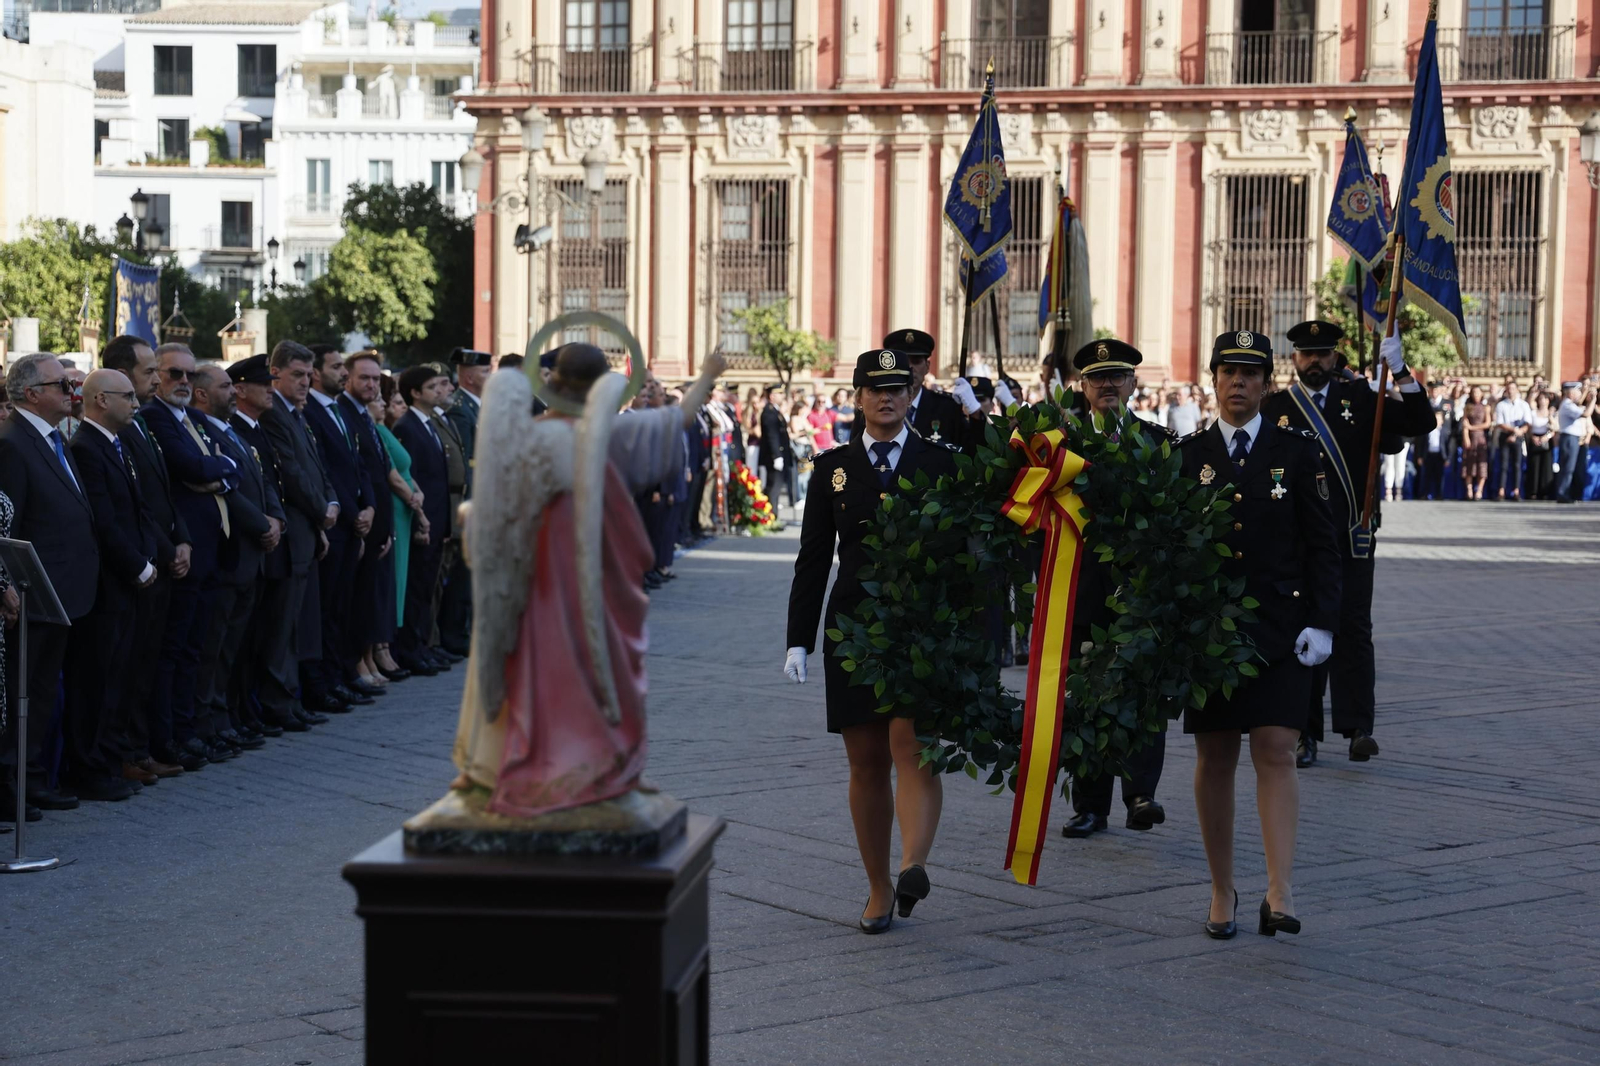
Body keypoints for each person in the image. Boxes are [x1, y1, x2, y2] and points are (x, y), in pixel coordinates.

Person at [784, 348, 960, 934]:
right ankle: (879, 887)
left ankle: (913, 863)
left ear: (912, 395)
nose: (887, 398)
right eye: (875, 389)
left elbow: (967, 555)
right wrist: (798, 641)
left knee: (912, 744)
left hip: (921, 625)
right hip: (854, 627)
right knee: (864, 761)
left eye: (898, 388)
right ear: (857, 397)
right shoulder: (831, 467)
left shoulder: (941, 462)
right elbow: (813, 560)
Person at [1181, 329, 1341, 940]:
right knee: (1215, 757)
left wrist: (1323, 623)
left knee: (1275, 751)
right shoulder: (1188, 456)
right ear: (1213, 380)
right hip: (1212, 633)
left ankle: (1280, 889)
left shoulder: (1296, 452)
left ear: (1267, 383)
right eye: (1229, 372)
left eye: (1251, 374)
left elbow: (1324, 546)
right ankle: (1222, 887)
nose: (1239, 383)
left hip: (1282, 630)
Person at [1260, 320, 1434, 768]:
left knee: (1354, 629)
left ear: (1336, 357)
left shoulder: (1361, 399)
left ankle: (1359, 728)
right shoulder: (1276, 407)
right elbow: (1268, 472)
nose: (1315, 360)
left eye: (1323, 352)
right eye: (1306, 353)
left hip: (1351, 537)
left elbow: (1420, 421)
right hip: (1299, 544)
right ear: (1293, 358)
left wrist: (1398, 370)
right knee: (1304, 631)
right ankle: (1305, 733)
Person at [1057, 339, 1173, 840]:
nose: (1107, 384)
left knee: (1143, 692)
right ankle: (1090, 805)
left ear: (1133, 384)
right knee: (1085, 696)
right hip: (1080, 588)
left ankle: (1140, 794)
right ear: (1081, 386)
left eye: (1117, 376)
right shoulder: (1060, 446)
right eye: (1097, 377)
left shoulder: (1159, 442)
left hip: (1142, 591)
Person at [0, 353, 101, 817]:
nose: (70, 391)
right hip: (33, 592)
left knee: (42, 692)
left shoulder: (53, 437)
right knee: (28, 691)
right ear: (31, 393)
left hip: (62, 590)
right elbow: (9, 526)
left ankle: (34, 777)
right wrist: (11, 585)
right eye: (61, 384)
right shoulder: (13, 443)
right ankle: (16, 785)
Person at [139, 343, 242, 767]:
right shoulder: (155, 419)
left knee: (198, 648)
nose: (182, 382)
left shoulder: (194, 419)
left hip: (211, 549)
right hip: (183, 551)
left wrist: (215, 475)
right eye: (173, 374)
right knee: (175, 651)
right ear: (156, 377)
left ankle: (191, 728)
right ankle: (172, 737)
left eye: (187, 374)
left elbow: (231, 464)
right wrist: (213, 472)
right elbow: (193, 468)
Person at [100, 335, 190, 776]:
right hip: (143, 563)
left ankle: (139, 749)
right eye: (149, 371)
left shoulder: (142, 422)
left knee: (149, 663)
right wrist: (166, 550)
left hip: (163, 557)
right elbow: (136, 508)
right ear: (122, 374)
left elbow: (165, 493)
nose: (157, 379)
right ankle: (127, 753)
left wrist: (183, 539)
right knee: (129, 666)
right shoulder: (114, 431)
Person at [63, 369, 154, 799]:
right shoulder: (86, 448)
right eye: (128, 397)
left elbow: (137, 510)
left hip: (127, 583)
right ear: (100, 400)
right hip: (107, 584)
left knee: (119, 677)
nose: (136, 404)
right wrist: (138, 566)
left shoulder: (116, 444)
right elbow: (104, 521)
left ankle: (109, 760)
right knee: (95, 681)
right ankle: (90, 769)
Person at [189, 363, 278, 753]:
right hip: (233, 551)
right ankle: (209, 721)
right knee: (215, 647)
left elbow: (262, 481)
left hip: (253, 553)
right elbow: (228, 492)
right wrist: (261, 523)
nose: (233, 392)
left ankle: (227, 716)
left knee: (234, 647)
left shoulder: (235, 433)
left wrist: (276, 521)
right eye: (226, 386)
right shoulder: (204, 432)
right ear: (203, 394)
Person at [229, 354, 310, 734]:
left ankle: (257, 708)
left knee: (269, 631)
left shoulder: (258, 427)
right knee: (245, 639)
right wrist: (266, 522)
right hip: (252, 543)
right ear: (240, 390)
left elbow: (270, 481)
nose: (270, 392)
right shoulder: (236, 429)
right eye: (264, 385)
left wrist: (275, 518)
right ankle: (246, 711)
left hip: (273, 537)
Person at [262, 342, 337, 724]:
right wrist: (322, 510)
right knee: (282, 626)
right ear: (275, 373)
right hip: (292, 534)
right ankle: (279, 704)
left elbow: (318, 470)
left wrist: (332, 503)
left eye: (309, 375)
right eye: (297, 374)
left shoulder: (297, 414)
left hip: (308, 531)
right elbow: (290, 474)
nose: (305, 382)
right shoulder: (273, 412)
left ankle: (290, 700)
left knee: (297, 623)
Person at [305, 344, 377, 708]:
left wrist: (370, 508)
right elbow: (328, 472)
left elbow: (359, 463)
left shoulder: (339, 411)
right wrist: (353, 513)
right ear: (316, 373)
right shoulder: (312, 413)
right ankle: (325, 682)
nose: (343, 374)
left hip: (354, 523)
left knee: (342, 608)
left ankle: (340, 675)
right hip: (337, 525)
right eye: (336, 367)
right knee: (327, 609)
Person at [391, 364, 453, 676]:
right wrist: (421, 520)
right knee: (416, 588)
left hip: (438, 519)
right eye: (432, 387)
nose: (440, 391)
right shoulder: (407, 427)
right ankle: (409, 649)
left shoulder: (429, 424)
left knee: (428, 587)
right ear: (415, 393)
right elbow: (411, 478)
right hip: (421, 520)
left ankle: (423, 646)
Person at [341, 353, 397, 689]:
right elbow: (351, 473)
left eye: (376, 379)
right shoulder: (344, 412)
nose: (372, 385)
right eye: (364, 378)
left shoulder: (365, 415)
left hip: (376, 519)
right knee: (357, 599)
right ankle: (357, 663)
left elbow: (377, 473)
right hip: (357, 520)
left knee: (370, 596)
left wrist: (384, 524)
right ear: (348, 378)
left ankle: (367, 657)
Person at [439, 348, 490, 657]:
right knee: (461, 573)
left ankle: (463, 631)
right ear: (470, 376)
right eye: (486, 372)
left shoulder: (475, 406)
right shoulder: (461, 409)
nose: (490, 376)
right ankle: (454, 634)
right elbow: (466, 462)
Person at [377, 374, 426, 674]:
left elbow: (404, 471)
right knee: (391, 581)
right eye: (388, 398)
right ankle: (382, 648)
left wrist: (417, 497)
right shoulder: (378, 430)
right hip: (397, 509)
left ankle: (390, 645)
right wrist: (416, 503)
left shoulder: (387, 429)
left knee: (401, 581)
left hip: (407, 508)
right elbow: (393, 476)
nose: (390, 404)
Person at [885, 328, 973, 449]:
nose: (910, 368)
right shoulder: (875, 406)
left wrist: (976, 413)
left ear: (927, 367)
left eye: (916, 361)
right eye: (904, 362)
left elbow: (970, 451)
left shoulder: (947, 407)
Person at [1553, 381, 1596, 503]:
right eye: (1577, 392)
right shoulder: (1567, 405)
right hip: (1569, 438)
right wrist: (1593, 400)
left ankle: (1566, 493)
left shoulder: (1569, 404)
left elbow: (1580, 404)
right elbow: (1586, 413)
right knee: (1568, 468)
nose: (1579, 394)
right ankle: (1562, 493)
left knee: (1570, 468)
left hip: (1572, 439)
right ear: (1570, 393)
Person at [757, 386, 795, 513]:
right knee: (774, 486)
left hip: (780, 453)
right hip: (774, 456)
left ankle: (773, 516)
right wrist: (777, 455)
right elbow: (772, 435)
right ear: (772, 396)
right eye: (779, 394)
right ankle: (771, 517)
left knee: (776, 487)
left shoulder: (775, 411)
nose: (782, 396)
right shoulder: (769, 412)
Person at [1492, 382, 1531, 501]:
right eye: (1509, 389)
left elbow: (1527, 422)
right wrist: (1513, 430)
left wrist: (1518, 432)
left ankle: (1516, 491)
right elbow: (1500, 423)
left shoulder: (1523, 405)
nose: (1511, 391)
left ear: (1517, 390)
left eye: (1513, 389)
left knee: (1517, 465)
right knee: (1503, 464)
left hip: (1519, 436)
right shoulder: (1501, 405)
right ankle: (1501, 491)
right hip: (1505, 435)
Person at [1461, 385, 1492, 501]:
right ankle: (1469, 490)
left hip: (1481, 438)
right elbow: (1465, 424)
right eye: (1474, 393)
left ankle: (1479, 490)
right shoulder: (1467, 407)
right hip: (1470, 437)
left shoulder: (1486, 408)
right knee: (1469, 464)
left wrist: (1472, 427)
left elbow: (1487, 424)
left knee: (1481, 465)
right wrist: (1466, 438)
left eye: (1478, 393)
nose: (1476, 395)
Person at [1526, 393, 1556, 500]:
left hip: (1547, 439)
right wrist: (1533, 437)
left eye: (1545, 399)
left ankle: (1545, 491)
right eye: (1541, 399)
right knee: (1534, 465)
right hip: (1534, 438)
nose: (1543, 401)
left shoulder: (1551, 413)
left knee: (1546, 466)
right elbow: (1529, 427)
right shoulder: (1533, 413)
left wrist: (1546, 436)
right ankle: (1533, 491)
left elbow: (1554, 428)